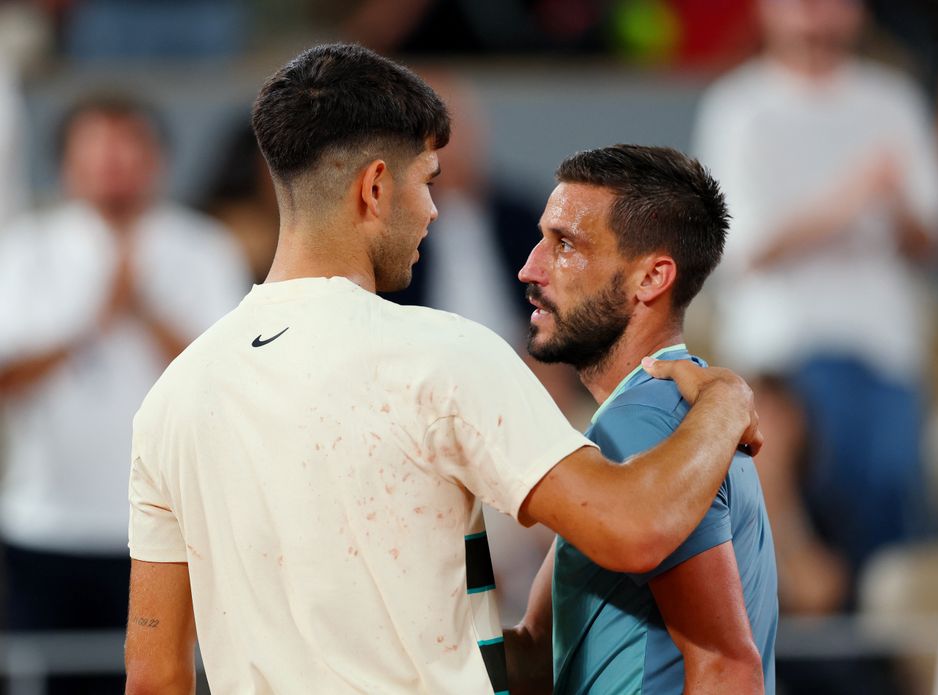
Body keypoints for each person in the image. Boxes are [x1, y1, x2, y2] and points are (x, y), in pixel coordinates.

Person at [124, 43, 762, 695]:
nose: (433, 208)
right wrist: (726, 398)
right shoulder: (443, 353)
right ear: (374, 187)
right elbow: (638, 529)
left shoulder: (174, 393)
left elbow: (152, 677)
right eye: (427, 180)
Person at [694, 0, 938, 586]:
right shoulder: (739, 107)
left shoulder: (892, 99)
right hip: (780, 347)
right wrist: (845, 201)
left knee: (889, 474)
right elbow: (737, 247)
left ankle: (876, 630)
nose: (816, 13)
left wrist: (892, 204)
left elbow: (933, 233)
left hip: (885, 345)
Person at [504, 145, 778, 695]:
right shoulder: (657, 418)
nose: (529, 267)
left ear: (651, 278)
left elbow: (726, 666)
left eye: (564, 245)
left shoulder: (648, 422)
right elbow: (537, 650)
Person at [0, 93, 249, 694]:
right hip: (44, 518)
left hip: (167, 526)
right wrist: (91, 322)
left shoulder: (204, 248)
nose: (114, 166)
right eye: (97, 152)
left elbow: (233, 380)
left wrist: (143, 308)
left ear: (157, 159)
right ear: (65, 165)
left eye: (128, 149)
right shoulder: (24, 250)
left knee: (158, 679)